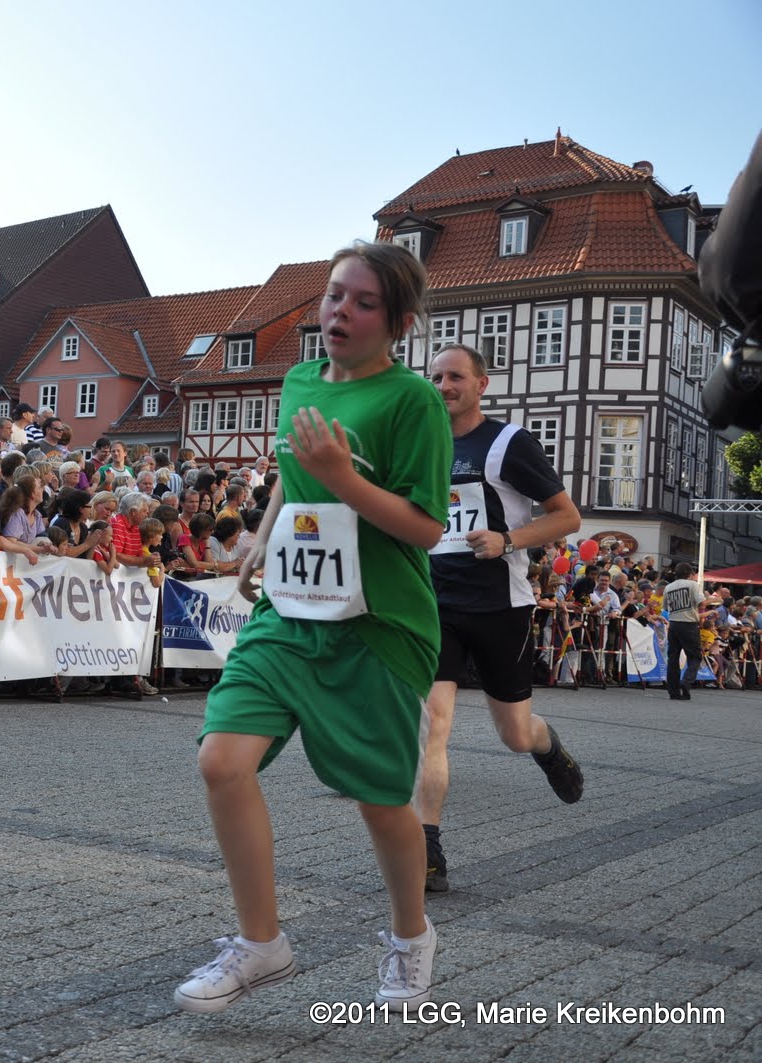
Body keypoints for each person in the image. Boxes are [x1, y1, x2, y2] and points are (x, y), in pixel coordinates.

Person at [178, 242, 451, 1018]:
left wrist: (342, 478)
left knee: (379, 799)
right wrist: (262, 540)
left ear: (398, 323)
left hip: (378, 624)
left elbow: (426, 527)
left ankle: (411, 935)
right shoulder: (299, 380)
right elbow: (292, 477)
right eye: (335, 295)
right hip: (289, 612)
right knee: (221, 760)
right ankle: (261, 942)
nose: (341, 311)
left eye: (364, 302)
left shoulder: (412, 402)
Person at [413, 344, 585, 894]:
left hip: (501, 607)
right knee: (432, 723)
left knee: (514, 733)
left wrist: (507, 539)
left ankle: (547, 746)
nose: (444, 386)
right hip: (437, 603)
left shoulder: (509, 443)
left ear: (481, 384)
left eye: (455, 377)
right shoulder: (422, 445)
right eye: (436, 377)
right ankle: (426, 850)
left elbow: (567, 517)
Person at [663, 562, 710, 700]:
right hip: (689, 624)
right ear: (690, 574)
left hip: (674, 624)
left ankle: (673, 691)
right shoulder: (693, 585)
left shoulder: (668, 587)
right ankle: (686, 681)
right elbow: (701, 604)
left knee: (673, 658)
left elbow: (665, 607)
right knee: (695, 656)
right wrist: (714, 599)